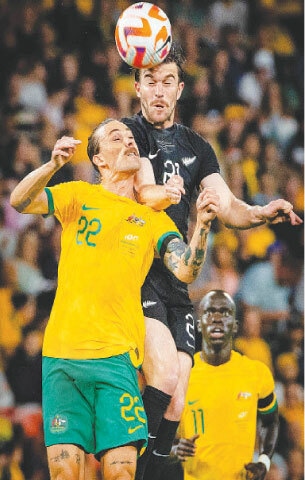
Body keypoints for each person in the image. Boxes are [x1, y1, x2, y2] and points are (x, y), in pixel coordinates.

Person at [121, 44, 302, 480]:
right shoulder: (126, 135)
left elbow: (227, 204)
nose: (159, 90)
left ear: (180, 89)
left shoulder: (196, 147)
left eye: (168, 81)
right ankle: (134, 470)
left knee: (178, 398)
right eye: (151, 80)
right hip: (134, 271)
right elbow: (141, 187)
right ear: (137, 87)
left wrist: (259, 214)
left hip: (176, 279)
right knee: (163, 375)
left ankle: (150, 469)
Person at [9, 119, 219, 480]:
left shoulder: (153, 219)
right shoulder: (78, 195)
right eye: (116, 137)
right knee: (64, 475)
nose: (129, 141)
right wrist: (52, 165)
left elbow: (185, 269)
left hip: (117, 361)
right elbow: (20, 201)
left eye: (131, 137)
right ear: (98, 159)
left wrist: (201, 227)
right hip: (63, 358)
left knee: (121, 475)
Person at [172, 289, 279, 480]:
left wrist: (264, 461)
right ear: (198, 324)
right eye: (210, 311)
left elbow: (270, 422)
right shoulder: (181, 374)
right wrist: (174, 449)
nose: (217, 318)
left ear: (236, 326)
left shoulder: (256, 373)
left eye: (225, 312)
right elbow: (155, 435)